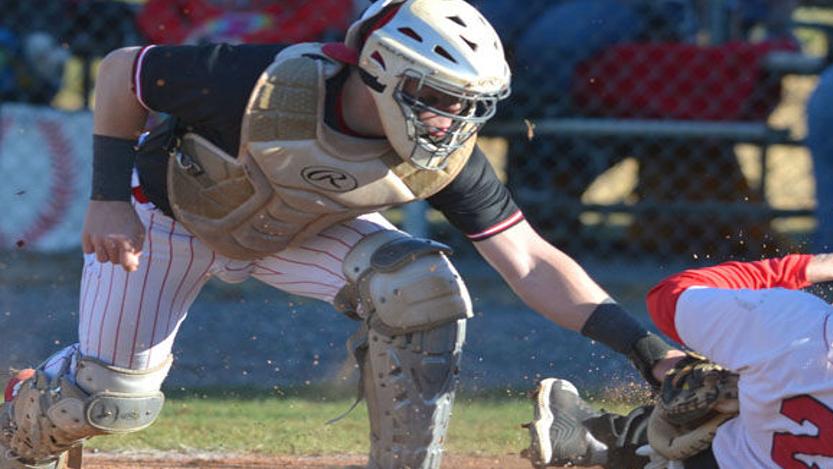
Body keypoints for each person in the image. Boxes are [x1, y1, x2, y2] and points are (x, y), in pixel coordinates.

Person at [0, 1, 688, 468]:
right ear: (383, 68)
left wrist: (648, 350)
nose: (452, 121)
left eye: (466, 105)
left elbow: (530, 260)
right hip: (168, 216)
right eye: (441, 98)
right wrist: (108, 199)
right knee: (106, 403)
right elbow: (124, 70)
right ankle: (23, 405)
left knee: (419, 287)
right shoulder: (265, 82)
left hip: (296, 233)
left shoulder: (445, 153)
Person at [523, 253, 833, 468]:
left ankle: (600, 434)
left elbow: (670, 295)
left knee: (735, 391)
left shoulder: (793, 322)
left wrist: (808, 268)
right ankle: (599, 437)